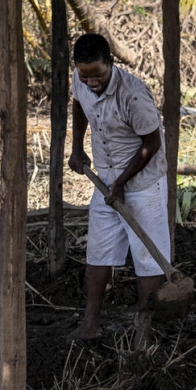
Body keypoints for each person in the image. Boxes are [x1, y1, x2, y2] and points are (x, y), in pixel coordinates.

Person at [67, 33, 171, 341]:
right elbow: (78, 103)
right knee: (98, 253)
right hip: (105, 179)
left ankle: (144, 330)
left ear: (110, 64)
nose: (92, 82)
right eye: (86, 75)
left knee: (147, 259)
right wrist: (76, 148)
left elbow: (152, 144)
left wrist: (123, 183)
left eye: (97, 75)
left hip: (142, 184)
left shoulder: (134, 96)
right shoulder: (80, 78)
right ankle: (90, 323)